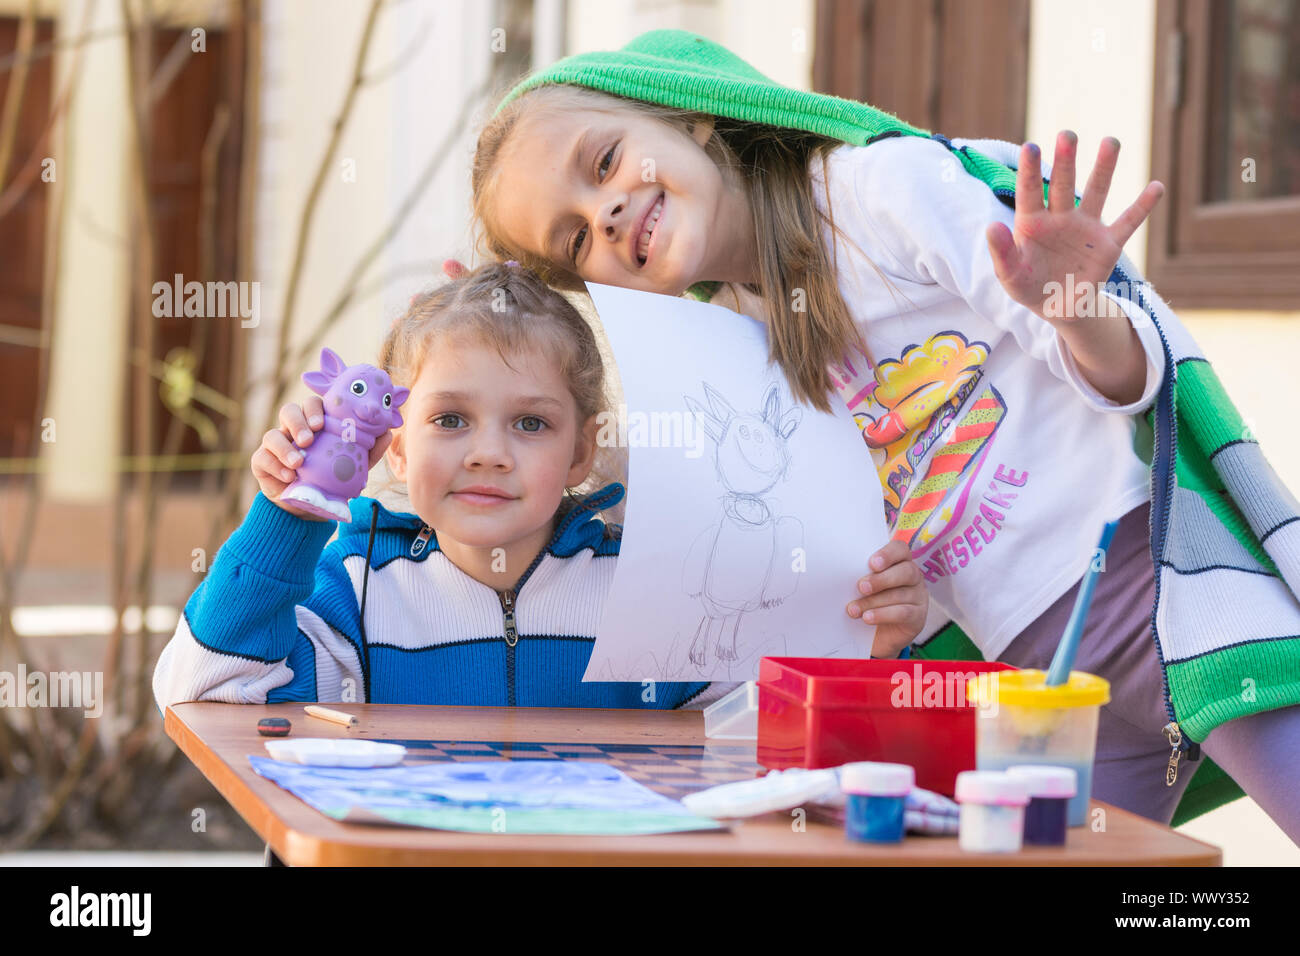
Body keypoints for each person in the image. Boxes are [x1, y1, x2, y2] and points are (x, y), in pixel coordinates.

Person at [461, 29, 1300, 841]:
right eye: (573, 239)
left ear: (692, 117)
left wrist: (1073, 308)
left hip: (1149, 594)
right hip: (1037, 677)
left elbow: (1128, 383)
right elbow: (715, 507)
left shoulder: (881, 190)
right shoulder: (732, 337)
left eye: (604, 161)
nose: (602, 214)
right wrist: (489, 360)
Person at [152, 261, 929, 712]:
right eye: (451, 420)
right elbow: (208, 687)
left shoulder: (648, 586)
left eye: (530, 425)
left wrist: (867, 645)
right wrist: (289, 517)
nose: (488, 454)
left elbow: (757, 731)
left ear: (584, 452)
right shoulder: (359, 586)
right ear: (392, 443)